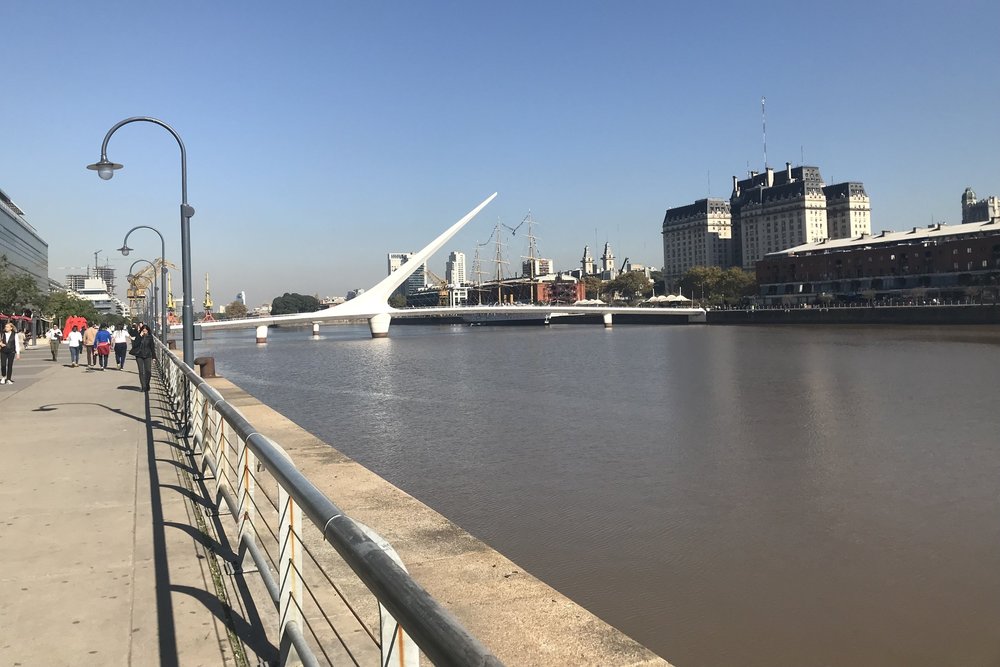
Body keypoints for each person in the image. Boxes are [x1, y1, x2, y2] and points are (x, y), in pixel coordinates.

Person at [132, 324, 155, 392]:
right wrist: (140, 336)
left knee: (148, 371)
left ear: (148, 331)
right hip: (139, 355)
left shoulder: (150, 337)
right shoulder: (138, 336)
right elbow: (135, 345)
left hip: (148, 355)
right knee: (141, 371)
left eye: (145, 331)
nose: (144, 332)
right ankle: (143, 386)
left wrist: (154, 357)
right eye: (143, 331)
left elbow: (152, 347)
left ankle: (147, 384)